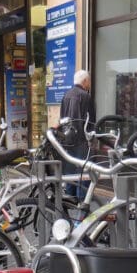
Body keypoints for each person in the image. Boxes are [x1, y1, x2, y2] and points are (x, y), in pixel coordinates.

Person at [60, 70, 96, 199]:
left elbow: (62, 118)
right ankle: (82, 198)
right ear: (85, 81)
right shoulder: (86, 96)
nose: (90, 84)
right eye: (89, 81)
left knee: (70, 168)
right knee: (84, 170)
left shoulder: (66, 95)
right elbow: (91, 120)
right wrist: (92, 139)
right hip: (82, 140)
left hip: (67, 139)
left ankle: (70, 197)